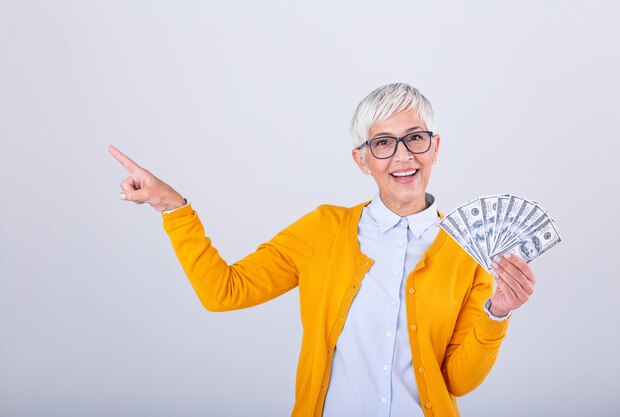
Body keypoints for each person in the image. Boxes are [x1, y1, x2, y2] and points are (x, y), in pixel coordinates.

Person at [109, 83, 536, 417]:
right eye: (383, 143)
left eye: (415, 138)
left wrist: (497, 313)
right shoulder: (323, 230)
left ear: (435, 147)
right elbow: (224, 291)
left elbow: (458, 381)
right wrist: (172, 207)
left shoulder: (470, 251)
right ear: (362, 160)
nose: (403, 156)